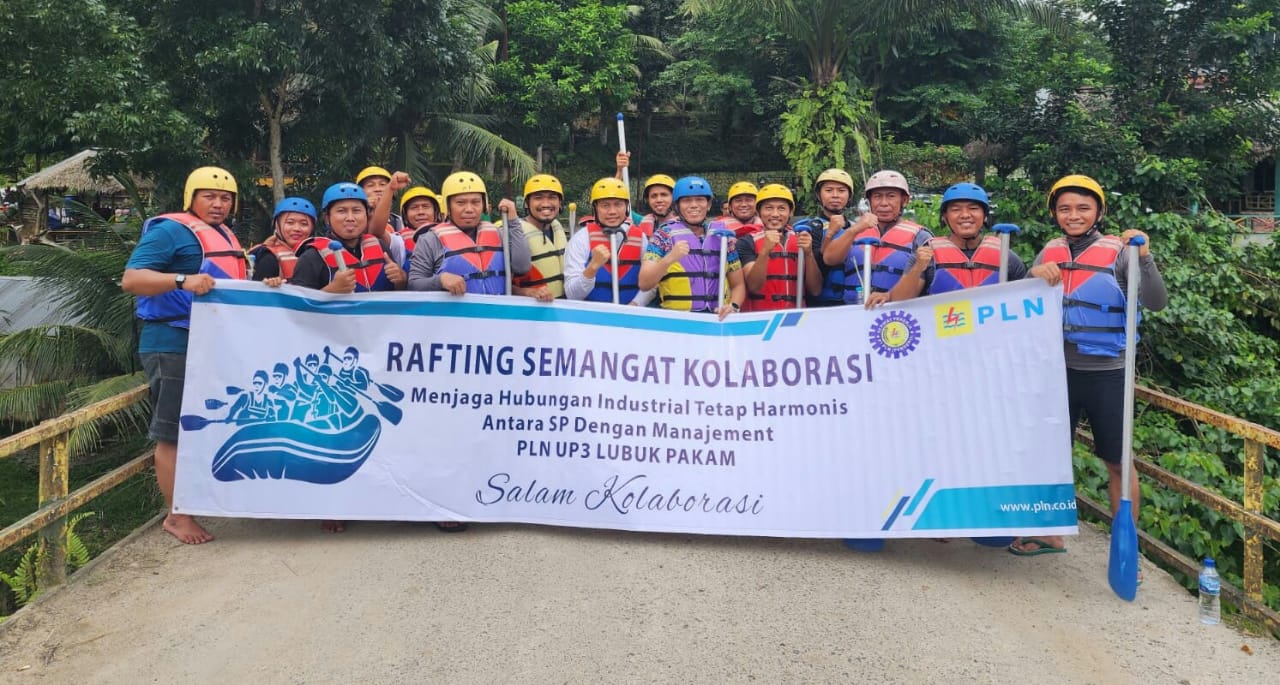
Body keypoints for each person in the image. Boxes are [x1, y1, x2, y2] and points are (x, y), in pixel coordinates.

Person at [1008, 174, 1167, 557]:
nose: (1073, 215)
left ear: (1097, 211)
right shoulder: (1050, 251)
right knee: (1049, 455)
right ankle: (1050, 534)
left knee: (1117, 460)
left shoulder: (1121, 251)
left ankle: (1126, 549)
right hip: (1056, 371)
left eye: (1082, 207)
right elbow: (1024, 305)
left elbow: (1157, 301)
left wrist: (1144, 258)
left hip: (1106, 373)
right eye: (1065, 209)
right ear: (1055, 213)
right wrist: (1033, 275)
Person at [122, 166, 247, 545]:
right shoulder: (171, 231)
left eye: (225, 198)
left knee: (204, 426)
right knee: (174, 432)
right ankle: (176, 517)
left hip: (208, 342)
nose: (218, 203)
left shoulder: (225, 235)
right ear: (191, 197)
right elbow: (132, 278)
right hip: (172, 341)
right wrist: (181, 280)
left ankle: (196, 502)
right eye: (209, 195)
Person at [886, 182, 1052, 301]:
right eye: (956, 209)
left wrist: (1033, 275)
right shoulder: (926, 255)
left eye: (973, 208)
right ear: (945, 217)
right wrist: (917, 269)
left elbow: (1025, 300)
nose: (965, 215)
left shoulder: (1005, 256)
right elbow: (899, 301)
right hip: (943, 342)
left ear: (985, 216)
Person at [407, 171, 536, 299]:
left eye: (475, 202)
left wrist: (513, 222)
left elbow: (522, 267)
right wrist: (440, 280)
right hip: (454, 317)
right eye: (460, 203)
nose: (469, 209)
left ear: (484, 205)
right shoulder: (430, 240)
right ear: (448, 207)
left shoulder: (498, 233)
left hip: (495, 316)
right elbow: (414, 285)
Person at [638, 176, 746, 319]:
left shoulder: (723, 237)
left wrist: (734, 306)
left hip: (715, 319)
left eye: (700, 200)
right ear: (677, 206)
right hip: (676, 320)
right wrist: (669, 259)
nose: (694, 205)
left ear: (708, 204)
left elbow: (738, 285)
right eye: (687, 200)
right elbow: (644, 283)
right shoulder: (663, 236)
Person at [822, 169, 934, 306]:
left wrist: (890, 296)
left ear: (904, 200)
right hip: (851, 312)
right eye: (877, 197)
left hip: (895, 316)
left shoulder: (920, 237)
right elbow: (829, 259)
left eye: (891, 196)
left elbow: (921, 284)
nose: (883, 203)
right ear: (869, 201)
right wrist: (854, 230)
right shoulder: (853, 230)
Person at [288, 181, 408, 294]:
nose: (350, 217)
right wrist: (331, 290)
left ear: (366, 215)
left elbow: (400, 294)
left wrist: (401, 280)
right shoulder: (312, 257)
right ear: (326, 218)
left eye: (356, 211)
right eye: (341, 211)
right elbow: (298, 308)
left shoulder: (380, 245)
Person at [564, 177, 652, 305]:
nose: (612, 211)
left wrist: (635, 305)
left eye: (618, 204)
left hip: (631, 314)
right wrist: (592, 267)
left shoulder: (641, 238)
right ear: (595, 208)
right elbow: (572, 295)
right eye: (605, 205)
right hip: (592, 317)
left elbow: (651, 284)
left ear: (626, 207)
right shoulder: (581, 239)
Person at [737, 184, 822, 311]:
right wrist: (765, 251)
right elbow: (754, 287)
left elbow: (815, 290)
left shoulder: (802, 239)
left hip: (795, 317)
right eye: (768, 208)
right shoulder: (746, 242)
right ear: (758, 212)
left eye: (782, 208)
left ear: (790, 212)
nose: (775, 214)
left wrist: (809, 254)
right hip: (761, 317)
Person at [794, 168, 856, 306]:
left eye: (841, 190)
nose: (835, 195)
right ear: (819, 195)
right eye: (828, 190)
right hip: (821, 304)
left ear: (849, 196)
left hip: (853, 304)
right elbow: (819, 268)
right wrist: (830, 234)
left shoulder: (855, 227)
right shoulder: (811, 228)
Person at [512, 173, 568, 300]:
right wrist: (528, 292)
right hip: (530, 312)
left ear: (560, 203)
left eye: (552, 198)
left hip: (562, 308)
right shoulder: (514, 233)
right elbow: (499, 285)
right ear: (526, 204)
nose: (546, 204)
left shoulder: (556, 227)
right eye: (538, 198)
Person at [249, 197, 317, 281]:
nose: (297, 229)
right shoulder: (269, 259)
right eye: (290, 222)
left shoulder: (319, 257)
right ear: (277, 225)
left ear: (312, 228)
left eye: (304, 224)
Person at [356, 165, 410, 267]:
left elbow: (377, 233)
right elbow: (374, 233)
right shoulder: (353, 220)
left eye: (383, 184)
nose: (377, 189)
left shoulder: (399, 221)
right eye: (370, 185)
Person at [396, 186, 441, 253]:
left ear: (435, 211)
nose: (421, 212)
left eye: (426, 207)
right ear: (405, 214)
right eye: (414, 207)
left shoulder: (447, 234)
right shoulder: (398, 240)